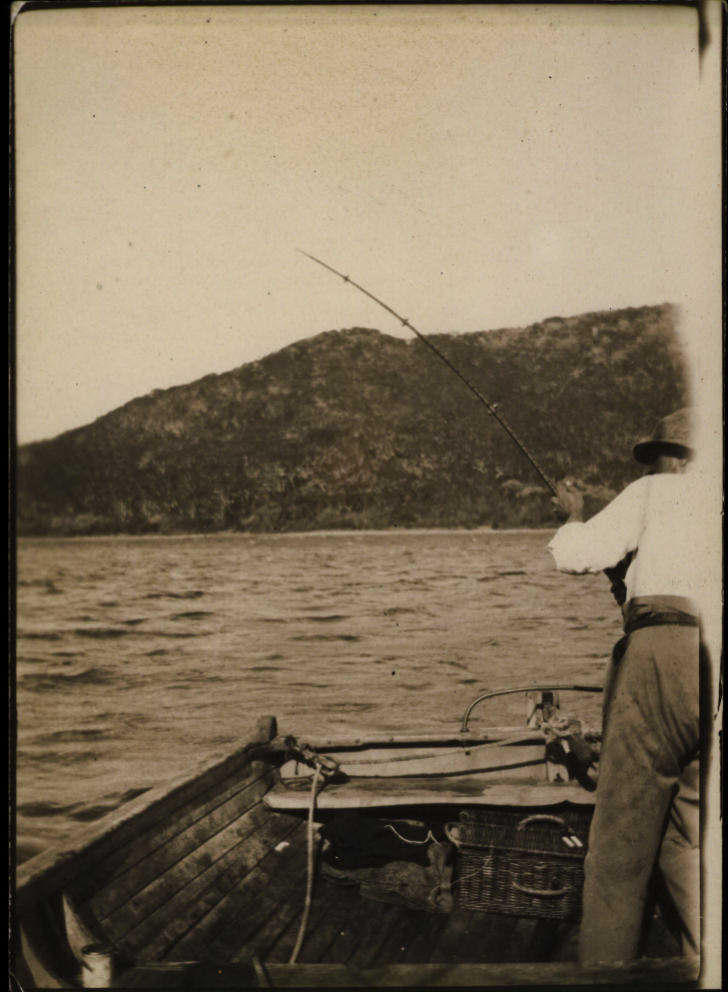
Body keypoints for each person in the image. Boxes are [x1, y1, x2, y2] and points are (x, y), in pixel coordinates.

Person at [548, 408, 705, 964]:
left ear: (675, 460)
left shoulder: (654, 492)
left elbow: (576, 555)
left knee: (620, 838)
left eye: (660, 456)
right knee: (688, 831)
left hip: (662, 659)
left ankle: (605, 972)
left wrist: (574, 515)